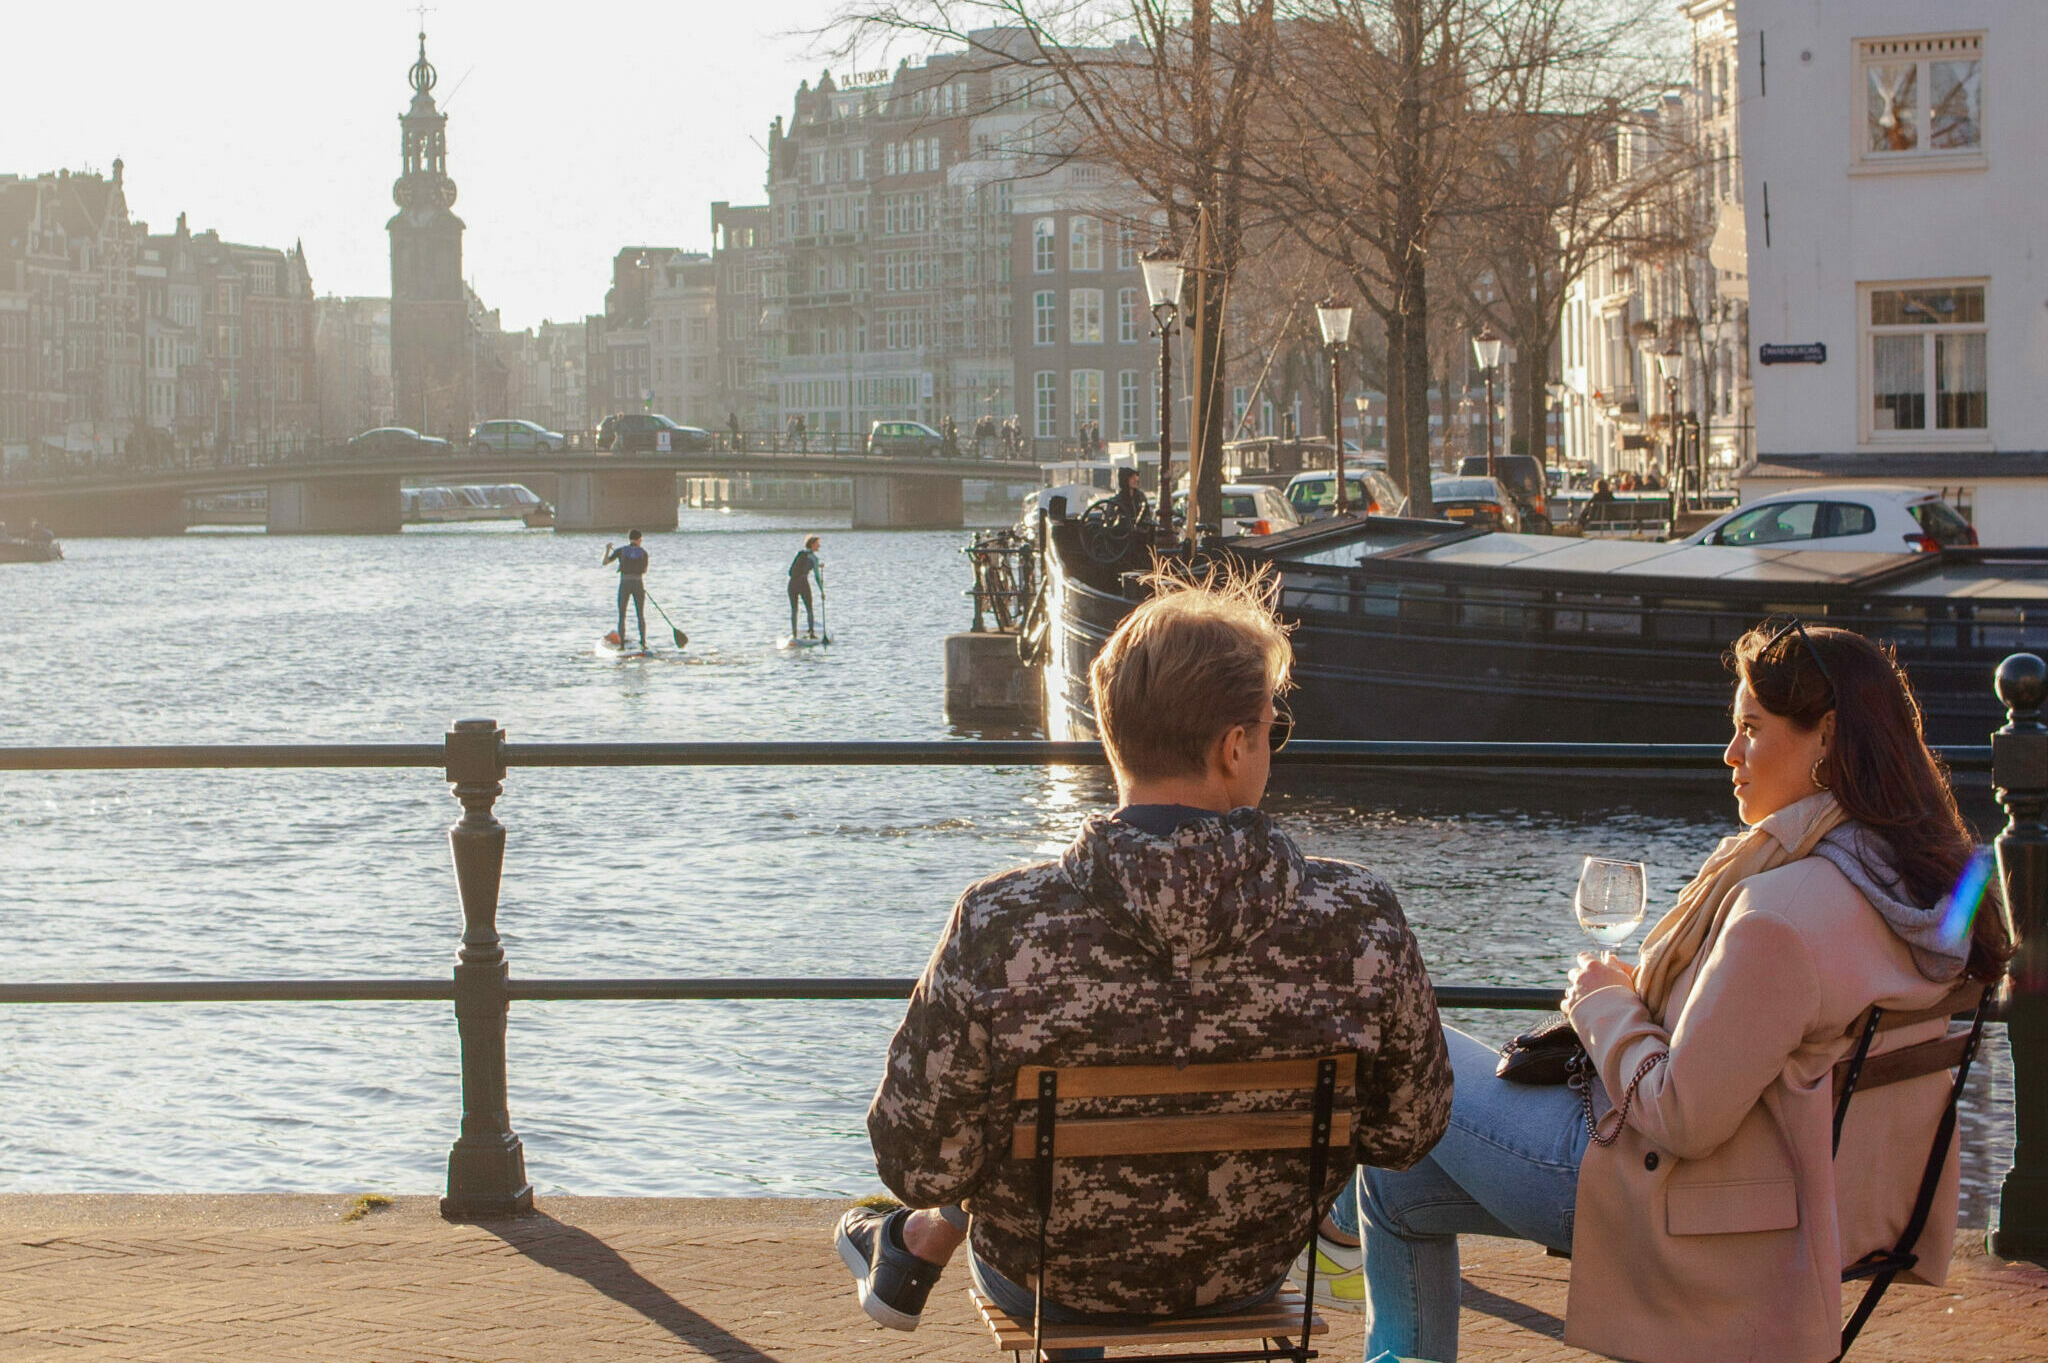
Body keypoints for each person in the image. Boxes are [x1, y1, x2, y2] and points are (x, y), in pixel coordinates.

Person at [1323, 620, 2011, 1363]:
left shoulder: (1779, 914)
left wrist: (1598, 998)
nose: (1731, 754)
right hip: (1828, 1198)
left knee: (1407, 1047)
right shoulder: (1915, 887)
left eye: (1751, 729)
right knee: (1397, 1184)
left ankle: (1322, 1232)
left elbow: (1681, 1117)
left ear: (1826, 739)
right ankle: (1352, 1247)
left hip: (1686, 1201)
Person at [834, 568, 1452, 1339]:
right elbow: (1411, 1131)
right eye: (1270, 730)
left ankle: (906, 1253)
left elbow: (916, 1161)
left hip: (1047, 1279)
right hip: (1246, 1270)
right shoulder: (1358, 917)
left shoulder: (1001, 923)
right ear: (1234, 747)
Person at [602, 529, 650, 649]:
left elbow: (605, 562)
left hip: (625, 584)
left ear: (629, 539)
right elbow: (644, 570)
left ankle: (622, 645)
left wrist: (608, 549)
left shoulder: (621, 550)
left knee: (622, 615)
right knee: (640, 615)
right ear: (639, 540)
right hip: (638, 584)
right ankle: (643, 643)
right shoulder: (644, 553)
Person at [788, 534, 822, 640]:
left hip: (792, 583)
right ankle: (811, 633)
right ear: (812, 545)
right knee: (809, 609)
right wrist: (822, 591)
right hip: (803, 583)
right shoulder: (814, 558)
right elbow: (816, 577)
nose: (819, 546)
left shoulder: (800, 554)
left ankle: (794, 634)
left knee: (794, 609)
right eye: (817, 544)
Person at [1103, 465, 1153, 530]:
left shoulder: (1141, 497)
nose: (1136, 480)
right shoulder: (1116, 501)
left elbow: (1147, 516)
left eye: (1136, 477)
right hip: (1122, 535)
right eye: (1132, 478)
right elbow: (1110, 521)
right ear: (1125, 480)